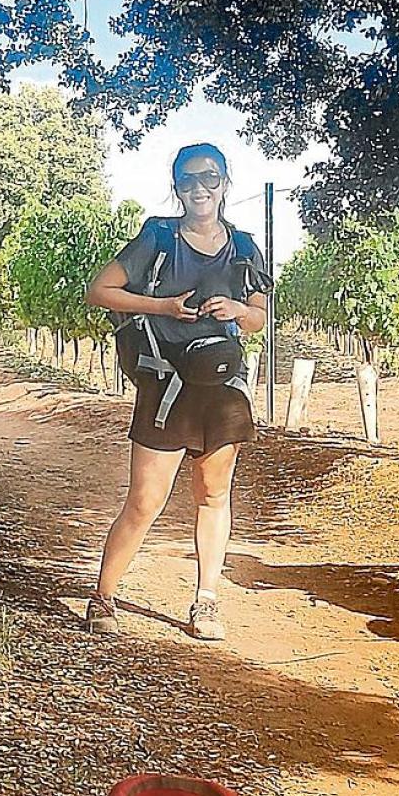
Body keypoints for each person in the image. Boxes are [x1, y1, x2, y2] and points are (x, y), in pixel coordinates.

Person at [82, 143, 271, 640]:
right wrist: (164, 307)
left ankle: (206, 600)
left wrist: (237, 310)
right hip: (165, 381)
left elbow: (260, 317)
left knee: (214, 493)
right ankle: (103, 593)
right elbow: (99, 291)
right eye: (187, 181)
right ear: (176, 187)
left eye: (208, 178)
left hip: (223, 383)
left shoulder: (246, 247)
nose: (199, 189)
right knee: (145, 500)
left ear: (225, 183)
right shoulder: (158, 237)